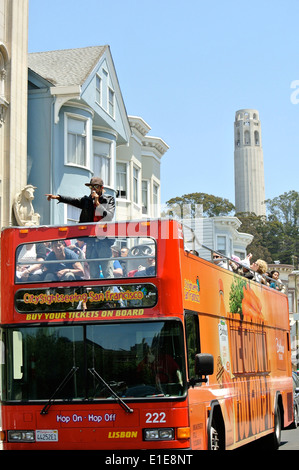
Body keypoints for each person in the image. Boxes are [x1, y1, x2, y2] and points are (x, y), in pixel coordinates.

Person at [45, 177, 115, 278]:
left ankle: (109, 293)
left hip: (103, 241)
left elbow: (109, 216)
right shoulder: (86, 200)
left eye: (95, 187)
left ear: (101, 188)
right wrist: (58, 197)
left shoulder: (108, 199)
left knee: (107, 271)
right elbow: (73, 200)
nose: (93, 189)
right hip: (91, 242)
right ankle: (96, 294)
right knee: (94, 273)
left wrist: (97, 203)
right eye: (91, 187)